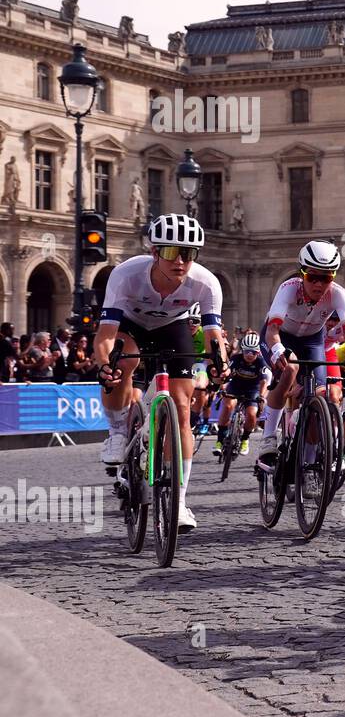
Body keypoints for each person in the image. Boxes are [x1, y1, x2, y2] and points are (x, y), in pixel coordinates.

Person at [94, 214, 226, 532]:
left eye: (189, 254)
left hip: (172, 325)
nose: (180, 261)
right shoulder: (126, 275)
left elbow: (213, 337)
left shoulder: (206, 283)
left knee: (182, 408)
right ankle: (117, 432)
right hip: (129, 324)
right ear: (154, 252)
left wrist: (220, 365)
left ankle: (178, 503)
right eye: (171, 252)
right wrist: (103, 365)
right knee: (125, 361)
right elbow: (105, 336)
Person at [259, 240, 345, 463]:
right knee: (291, 369)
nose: (318, 284)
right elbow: (272, 329)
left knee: (322, 397)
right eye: (312, 276)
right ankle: (268, 437)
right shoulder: (288, 289)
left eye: (326, 278)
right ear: (302, 273)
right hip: (281, 337)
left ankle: (307, 463)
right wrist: (278, 350)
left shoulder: (339, 294)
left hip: (312, 341)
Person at [214, 332, 272, 457]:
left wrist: (261, 397)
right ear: (242, 351)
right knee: (228, 406)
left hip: (253, 389)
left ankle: (245, 439)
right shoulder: (236, 358)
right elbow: (228, 371)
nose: (250, 355)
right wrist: (223, 380)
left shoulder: (261, 362)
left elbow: (264, 382)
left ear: (258, 353)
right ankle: (219, 440)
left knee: (251, 414)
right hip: (236, 386)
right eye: (247, 352)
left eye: (253, 352)